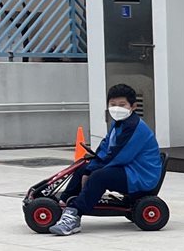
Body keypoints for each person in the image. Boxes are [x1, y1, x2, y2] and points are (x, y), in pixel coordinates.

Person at [50, 84, 163, 236]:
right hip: (128, 168)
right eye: (113, 104)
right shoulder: (118, 124)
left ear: (133, 106)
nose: (117, 108)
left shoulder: (135, 127)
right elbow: (105, 147)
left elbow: (119, 156)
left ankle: (74, 214)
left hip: (140, 175)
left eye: (122, 105)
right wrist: (89, 167)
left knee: (99, 177)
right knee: (83, 166)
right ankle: (64, 202)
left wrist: (92, 171)